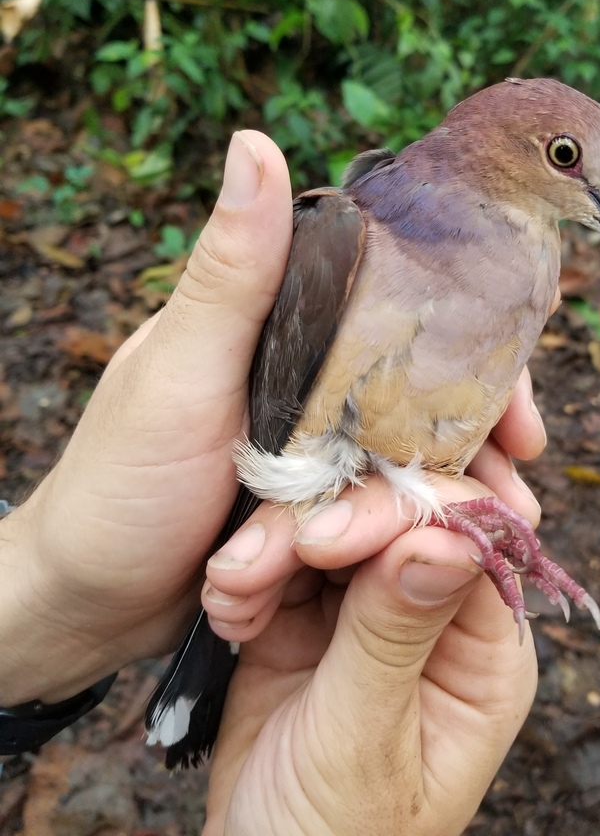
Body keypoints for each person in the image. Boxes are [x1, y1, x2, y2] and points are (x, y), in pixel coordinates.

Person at [0, 132, 545, 835]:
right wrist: (54, 588)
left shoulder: (529, 266)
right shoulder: (345, 230)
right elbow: (290, 432)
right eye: (565, 157)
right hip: (292, 468)